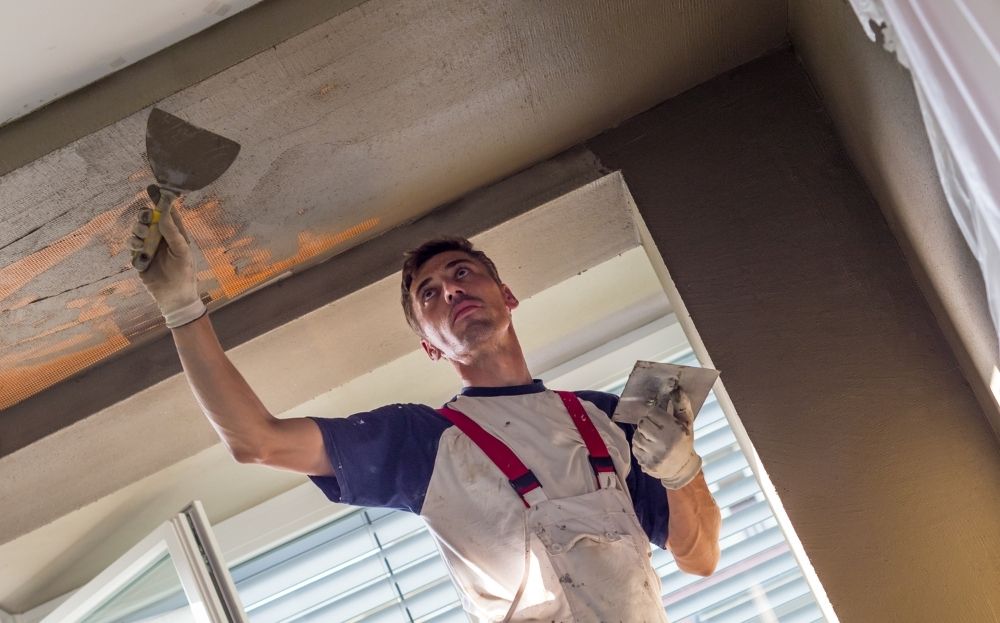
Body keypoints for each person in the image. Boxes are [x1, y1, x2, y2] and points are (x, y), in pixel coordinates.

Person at [131, 209, 722, 622]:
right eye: (429, 295)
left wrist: (681, 471)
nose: (450, 291)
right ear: (431, 347)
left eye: (462, 274)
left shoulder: (605, 419)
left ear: (506, 296)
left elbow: (701, 560)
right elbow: (257, 442)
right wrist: (182, 307)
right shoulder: (422, 441)